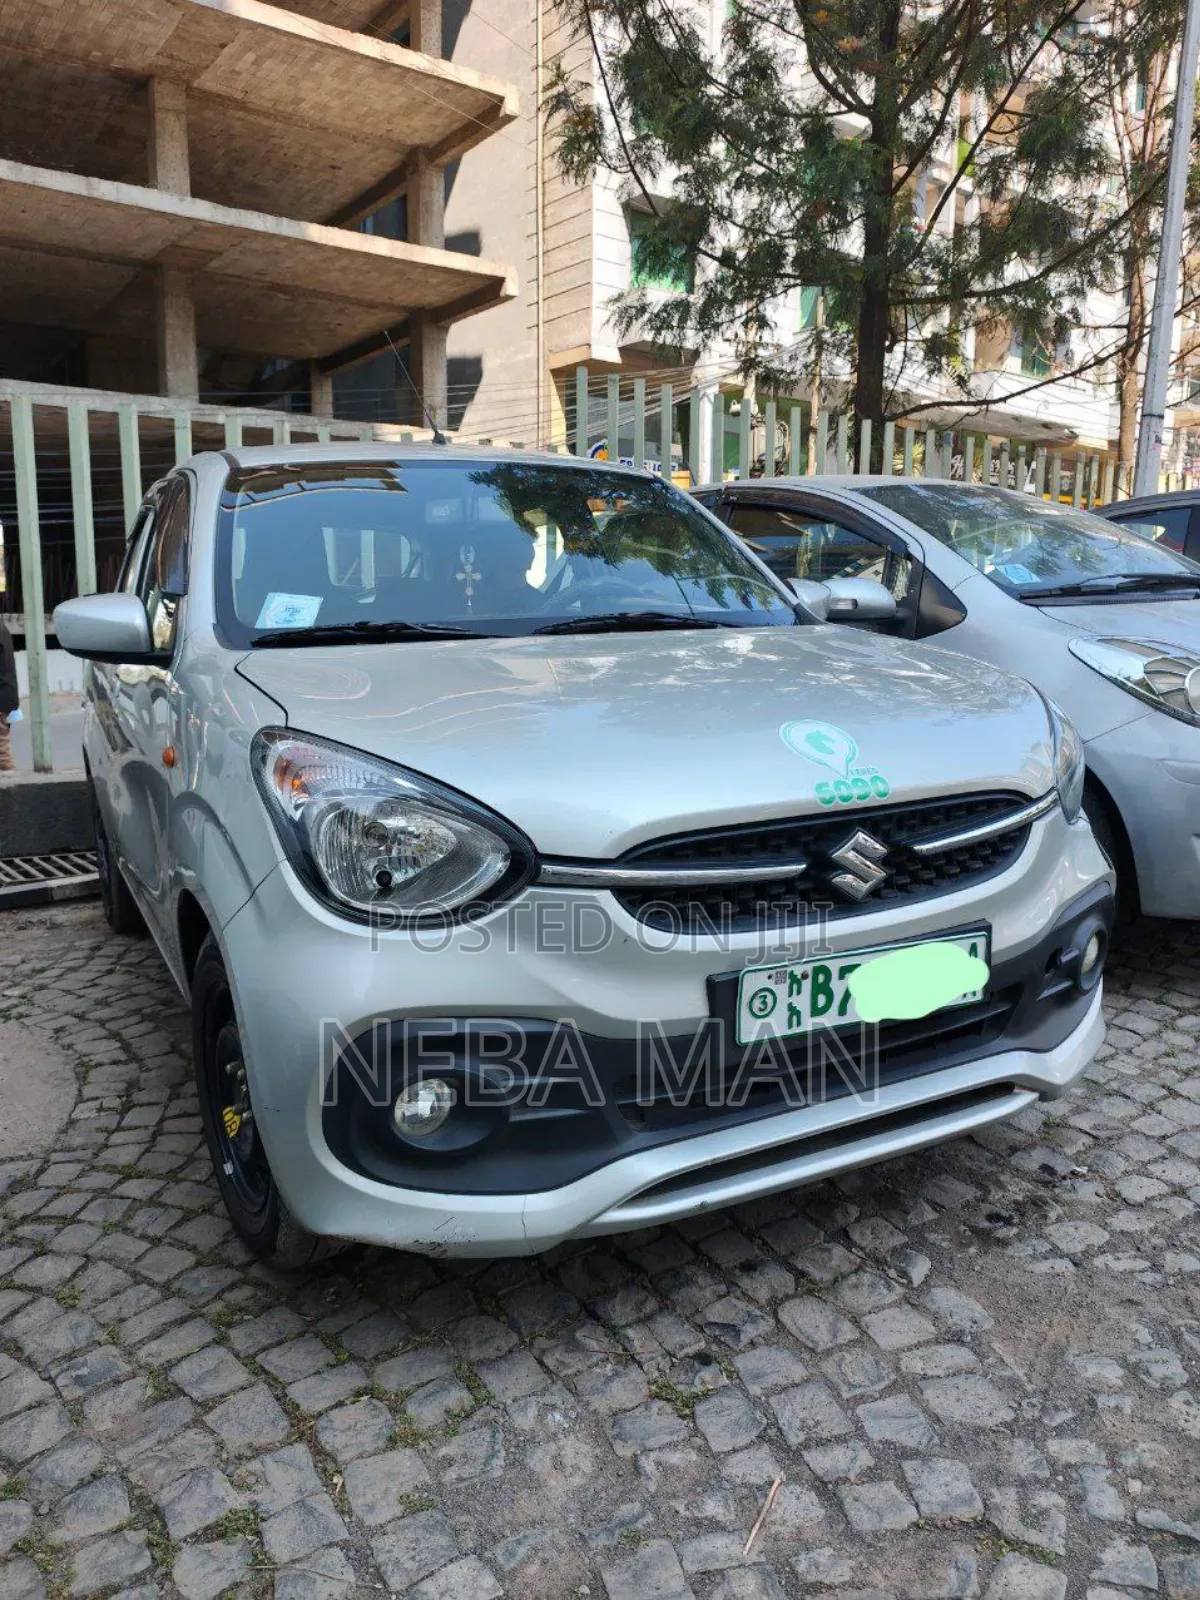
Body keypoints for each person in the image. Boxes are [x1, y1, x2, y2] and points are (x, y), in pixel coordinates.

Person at [0, 617, 17, 772]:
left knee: (2, 755)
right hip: (7, 696)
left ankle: (11, 790)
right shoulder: (3, 628)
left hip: (2, 696)